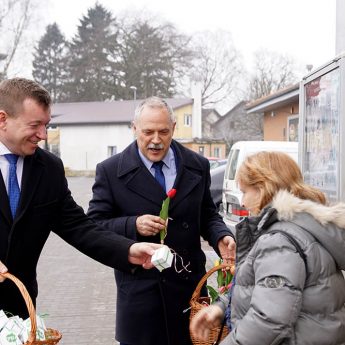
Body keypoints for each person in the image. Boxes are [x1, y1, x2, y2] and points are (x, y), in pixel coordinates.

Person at [0, 78, 161, 319]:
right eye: (35, 125)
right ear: (3, 119)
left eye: (47, 125)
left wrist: (128, 249)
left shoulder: (49, 169)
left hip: (20, 313)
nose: (43, 135)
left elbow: (78, 227)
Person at [87, 96, 236, 345]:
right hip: (139, 293)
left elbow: (207, 213)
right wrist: (133, 225)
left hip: (189, 289)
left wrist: (221, 235)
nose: (156, 140)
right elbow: (95, 225)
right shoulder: (111, 170)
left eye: (163, 132)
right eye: (148, 132)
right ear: (134, 128)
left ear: (174, 129)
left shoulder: (197, 165)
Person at [190, 151, 345, 345]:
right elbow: (266, 290)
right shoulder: (305, 226)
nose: (243, 201)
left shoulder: (279, 242)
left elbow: (268, 319)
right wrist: (222, 306)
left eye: (245, 191)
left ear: (264, 188)